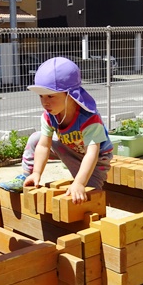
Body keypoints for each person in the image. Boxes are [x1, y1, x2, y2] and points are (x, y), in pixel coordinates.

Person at [21, 57, 113, 203]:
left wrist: (79, 183)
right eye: (41, 96)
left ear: (70, 95)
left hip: (96, 161)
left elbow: (92, 154)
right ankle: (27, 177)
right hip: (68, 150)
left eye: (51, 96)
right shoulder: (49, 116)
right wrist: (37, 172)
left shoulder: (88, 118)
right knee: (36, 139)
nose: (45, 102)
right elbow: (44, 145)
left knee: (88, 199)